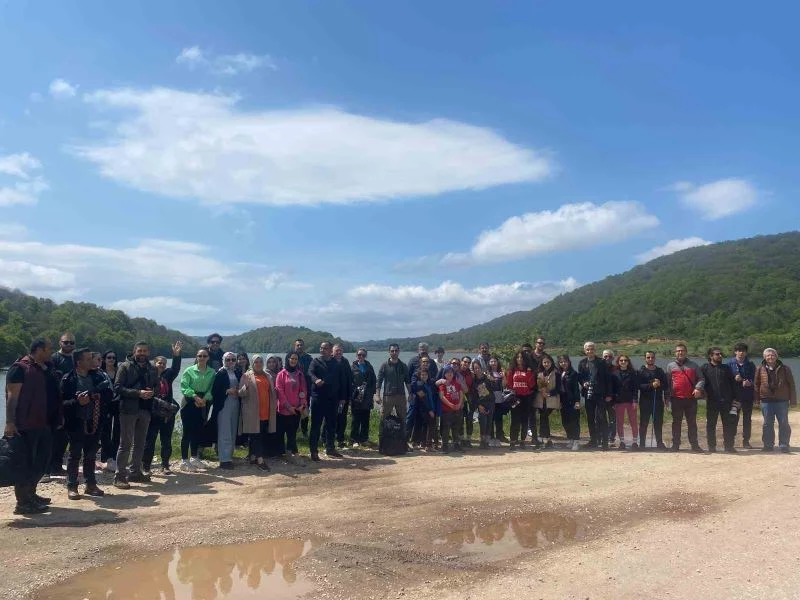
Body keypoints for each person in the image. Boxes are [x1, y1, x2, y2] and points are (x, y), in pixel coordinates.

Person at [5, 338, 58, 515]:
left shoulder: (43, 368)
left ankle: (31, 494)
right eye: (49, 349)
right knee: (24, 464)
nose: (52, 352)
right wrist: (10, 422)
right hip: (25, 425)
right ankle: (22, 503)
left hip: (42, 423)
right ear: (39, 349)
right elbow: (12, 397)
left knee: (41, 461)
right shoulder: (19, 369)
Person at [60, 347, 113, 499]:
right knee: (74, 455)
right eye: (89, 359)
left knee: (90, 455)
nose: (93, 361)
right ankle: (72, 486)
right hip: (75, 423)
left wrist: (97, 396)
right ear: (79, 362)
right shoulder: (68, 379)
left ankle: (90, 484)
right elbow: (61, 404)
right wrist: (77, 401)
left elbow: (109, 396)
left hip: (95, 422)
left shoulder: (98, 376)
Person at [114, 341, 160, 488]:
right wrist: (138, 393)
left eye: (145, 351)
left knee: (140, 444)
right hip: (128, 409)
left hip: (145, 409)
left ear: (148, 353)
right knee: (125, 444)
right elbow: (118, 388)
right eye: (139, 351)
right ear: (134, 351)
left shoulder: (152, 368)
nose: (142, 354)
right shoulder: (124, 366)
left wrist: (152, 392)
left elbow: (156, 386)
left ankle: (135, 473)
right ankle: (119, 476)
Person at [142, 341, 182, 475]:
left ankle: (165, 465)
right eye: (159, 363)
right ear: (154, 363)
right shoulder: (148, 375)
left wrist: (176, 355)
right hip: (153, 413)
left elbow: (176, 368)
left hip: (166, 413)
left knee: (166, 440)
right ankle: (146, 466)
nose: (162, 365)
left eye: (164, 364)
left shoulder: (168, 375)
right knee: (150, 440)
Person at [179, 347, 215, 472]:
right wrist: (195, 397)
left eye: (205, 356)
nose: (202, 358)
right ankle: (184, 460)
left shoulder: (212, 372)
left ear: (208, 358)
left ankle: (194, 457)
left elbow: (211, 389)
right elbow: (184, 386)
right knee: (187, 432)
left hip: (203, 402)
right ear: (196, 357)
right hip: (189, 402)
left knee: (197, 430)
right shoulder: (189, 371)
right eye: (200, 356)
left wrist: (205, 399)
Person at [754, 348, 796, 453]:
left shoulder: (785, 368)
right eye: (768, 355)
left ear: (776, 356)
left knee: (783, 423)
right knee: (767, 423)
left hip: (782, 400)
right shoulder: (759, 368)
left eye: (772, 355)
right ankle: (768, 445)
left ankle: (784, 445)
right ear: (764, 357)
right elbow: (756, 384)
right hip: (766, 400)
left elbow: (791, 385)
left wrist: (793, 400)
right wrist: (756, 400)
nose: (770, 357)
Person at [666, 344, 706, 453]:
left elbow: (701, 378)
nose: (680, 353)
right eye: (678, 351)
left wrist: (698, 388)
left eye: (682, 351)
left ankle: (694, 445)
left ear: (686, 352)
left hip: (691, 399)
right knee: (676, 423)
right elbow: (668, 383)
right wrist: (667, 398)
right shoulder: (670, 366)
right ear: (675, 353)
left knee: (692, 423)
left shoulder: (693, 365)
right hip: (676, 399)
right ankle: (675, 445)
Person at [308, 342, 343, 461]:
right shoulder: (315, 361)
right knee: (316, 426)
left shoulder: (336, 363)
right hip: (318, 398)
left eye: (325, 348)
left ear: (330, 350)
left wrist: (342, 397)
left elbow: (339, 380)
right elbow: (310, 373)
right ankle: (313, 451)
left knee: (331, 425)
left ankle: (330, 448)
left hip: (332, 399)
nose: (322, 350)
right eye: (321, 348)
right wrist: (316, 379)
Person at [239, 355, 275, 471]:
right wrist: (246, 386)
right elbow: (240, 393)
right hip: (252, 412)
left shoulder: (267, 375)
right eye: (256, 362)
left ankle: (253, 457)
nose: (258, 364)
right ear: (252, 363)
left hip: (265, 411)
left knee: (260, 435)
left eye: (260, 362)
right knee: (256, 436)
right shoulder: (247, 375)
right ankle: (260, 460)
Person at [48, 331, 75, 478]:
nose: (69, 345)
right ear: (60, 343)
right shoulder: (54, 358)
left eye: (71, 342)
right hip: (56, 401)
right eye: (66, 342)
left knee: (65, 436)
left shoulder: (76, 358)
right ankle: (49, 467)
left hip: (72, 401)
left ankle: (57, 465)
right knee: (54, 435)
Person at [701, 347, 738, 453]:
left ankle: (729, 446)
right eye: (717, 354)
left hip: (726, 401)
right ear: (711, 356)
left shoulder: (726, 368)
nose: (720, 356)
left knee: (728, 425)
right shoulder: (704, 368)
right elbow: (699, 381)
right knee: (711, 425)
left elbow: (733, 384)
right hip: (712, 401)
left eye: (721, 354)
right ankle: (712, 447)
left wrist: (736, 399)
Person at [578, 342, 613, 450]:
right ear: (585, 350)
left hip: (600, 394)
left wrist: (609, 394)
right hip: (588, 394)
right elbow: (580, 377)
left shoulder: (602, 362)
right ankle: (593, 441)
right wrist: (583, 383)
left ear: (595, 350)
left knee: (602, 418)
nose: (590, 351)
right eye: (588, 349)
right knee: (590, 418)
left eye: (592, 349)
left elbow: (608, 379)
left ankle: (605, 443)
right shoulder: (582, 363)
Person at [210, 352, 243, 469]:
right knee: (225, 432)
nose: (230, 362)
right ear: (223, 360)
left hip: (235, 404)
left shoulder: (238, 372)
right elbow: (214, 391)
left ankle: (229, 456)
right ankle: (224, 460)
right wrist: (227, 391)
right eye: (228, 359)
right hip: (224, 405)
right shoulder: (220, 373)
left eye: (233, 359)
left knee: (233, 430)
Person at [275, 351, 308, 459]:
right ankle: (281, 453)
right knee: (281, 433)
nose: (293, 361)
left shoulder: (300, 374)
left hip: (297, 409)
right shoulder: (281, 374)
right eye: (292, 358)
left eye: (295, 359)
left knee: (292, 433)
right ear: (288, 359)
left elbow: (303, 390)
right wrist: (289, 407)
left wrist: (302, 405)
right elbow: (280, 392)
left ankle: (292, 452)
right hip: (284, 410)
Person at [638, 351, 668, 450]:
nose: (650, 359)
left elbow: (666, 386)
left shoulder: (660, 371)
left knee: (658, 423)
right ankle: (642, 444)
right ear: (645, 358)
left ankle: (659, 443)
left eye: (652, 357)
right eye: (648, 357)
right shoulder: (641, 371)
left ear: (655, 358)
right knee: (644, 423)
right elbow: (638, 386)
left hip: (658, 400)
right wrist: (651, 385)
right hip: (645, 401)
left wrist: (660, 384)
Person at [728, 343, 756, 449]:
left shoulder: (751, 364)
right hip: (734, 397)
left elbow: (755, 379)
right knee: (733, 418)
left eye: (743, 350)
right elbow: (726, 380)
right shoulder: (729, 364)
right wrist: (733, 378)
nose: (741, 352)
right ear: (735, 352)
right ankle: (731, 441)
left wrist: (749, 382)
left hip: (747, 396)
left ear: (746, 352)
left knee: (747, 419)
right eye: (739, 350)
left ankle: (746, 441)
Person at [507, 351, 536, 449]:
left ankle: (522, 440)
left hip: (526, 398)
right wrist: (514, 392)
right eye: (518, 357)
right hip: (516, 397)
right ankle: (513, 441)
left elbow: (531, 385)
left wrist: (528, 373)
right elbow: (509, 384)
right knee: (515, 420)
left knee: (524, 420)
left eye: (522, 357)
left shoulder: (529, 370)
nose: (519, 359)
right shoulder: (512, 370)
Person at [350, 348, 377, 448]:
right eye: (359, 355)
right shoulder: (352, 367)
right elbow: (349, 382)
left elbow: (374, 381)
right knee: (356, 419)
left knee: (366, 419)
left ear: (366, 356)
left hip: (367, 397)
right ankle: (354, 439)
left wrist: (373, 394)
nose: (361, 357)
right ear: (356, 355)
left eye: (363, 355)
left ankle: (364, 438)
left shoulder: (369, 366)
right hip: (356, 396)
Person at [98, 349, 120, 472]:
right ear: (104, 359)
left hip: (118, 404)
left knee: (118, 431)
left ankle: (115, 457)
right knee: (105, 432)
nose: (111, 359)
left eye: (113, 358)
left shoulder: (119, 371)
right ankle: (105, 458)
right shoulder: (100, 373)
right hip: (105, 405)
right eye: (109, 357)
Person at [377, 344, 410, 422]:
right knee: (384, 418)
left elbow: (408, 382)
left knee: (403, 419)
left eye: (396, 350)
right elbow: (379, 381)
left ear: (399, 352)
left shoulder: (403, 366)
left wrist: (410, 394)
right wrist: (377, 395)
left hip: (401, 397)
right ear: (389, 352)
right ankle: (383, 434)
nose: (394, 352)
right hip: (388, 397)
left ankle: (402, 434)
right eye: (392, 351)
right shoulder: (384, 366)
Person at [613, 355, 639, 450]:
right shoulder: (614, 373)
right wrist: (613, 401)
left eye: (625, 360)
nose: (623, 362)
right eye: (621, 360)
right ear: (618, 362)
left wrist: (635, 400)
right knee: (619, 422)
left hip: (630, 401)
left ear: (628, 362)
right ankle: (622, 442)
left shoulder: (633, 373)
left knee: (633, 422)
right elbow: (613, 389)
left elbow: (635, 388)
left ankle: (635, 442)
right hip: (618, 401)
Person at [534, 354, 559, 448]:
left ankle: (543, 438)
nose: (546, 364)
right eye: (544, 362)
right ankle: (546, 439)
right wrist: (541, 390)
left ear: (551, 363)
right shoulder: (538, 373)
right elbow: (535, 386)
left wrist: (548, 394)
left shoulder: (556, 373)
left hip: (551, 399)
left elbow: (558, 388)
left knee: (544, 417)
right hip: (540, 399)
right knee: (543, 418)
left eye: (548, 362)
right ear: (541, 363)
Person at [556, 355, 581, 451]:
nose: (563, 363)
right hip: (563, 400)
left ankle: (576, 441)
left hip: (572, 400)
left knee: (574, 421)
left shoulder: (573, 374)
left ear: (569, 362)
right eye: (561, 362)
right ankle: (570, 438)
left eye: (565, 361)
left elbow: (576, 389)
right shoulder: (559, 373)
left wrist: (577, 401)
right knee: (565, 421)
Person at [438, 366, 464, 453]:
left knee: (456, 428)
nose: (449, 374)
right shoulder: (442, 384)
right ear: (444, 374)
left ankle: (456, 444)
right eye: (447, 372)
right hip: (447, 410)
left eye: (451, 372)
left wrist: (460, 404)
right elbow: (442, 396)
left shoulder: (457, 384)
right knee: (446, 428)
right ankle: (445, 446)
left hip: (457, 409)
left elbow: (461, 394)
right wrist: (450, 404)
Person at [470, 359, 496, 450]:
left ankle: (487, 442)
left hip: (490, 402)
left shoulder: (487, 377)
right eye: (475, 368)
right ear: (473, 370)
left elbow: (494, 388)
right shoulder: (474, 381)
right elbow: (474, 395)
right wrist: (479, 405)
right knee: (483, 423)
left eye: (478, 368)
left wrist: (492, 380)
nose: (477, 370)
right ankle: (482, 442)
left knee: (489, 423)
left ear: (481, 368)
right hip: (481, 404)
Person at [410, 365, 437, 450]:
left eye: (425, 374)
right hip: (424, 409)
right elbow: (424, 399)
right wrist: (430, 410)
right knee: (430, 425)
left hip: (431, 407)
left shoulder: (430, 384)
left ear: (428, 375)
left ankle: (424, 443)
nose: (424, 376)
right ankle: (428, 445)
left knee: (425, 426)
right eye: (422, 375)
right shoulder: (419, 385)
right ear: (419, 376)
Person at [333, 344, 354, 449]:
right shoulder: (329, 361)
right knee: (330, 419)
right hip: (332, 397)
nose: (339, 352)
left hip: (343, 397)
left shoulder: (345, 362)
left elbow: (349, 379)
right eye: (336, 351)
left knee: (342, 419)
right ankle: (327, 439)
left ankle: (340, 439)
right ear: (332, 351)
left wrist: (349, 397)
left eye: (340, 351)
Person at [293, 339, 313, 437]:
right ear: (294, 346)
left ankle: (305, 431)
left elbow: (312, 372)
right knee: (294, 409)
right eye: (298, 345)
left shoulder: (309, 358)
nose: (299, 347)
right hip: (293, 388)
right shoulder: (291, 357)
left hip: (306, 388)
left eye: (301, 345)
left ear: (304, 346)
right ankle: (295, 430)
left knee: (305, 408)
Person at [488, 356, 508, 446]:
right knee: (491, 419)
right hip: (490, 399)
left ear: (497, 362)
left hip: (499, 398)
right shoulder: (487, 373)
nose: (493, 363)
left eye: (495, 361)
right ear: (489, 363)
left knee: (499, 418)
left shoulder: (501, 373)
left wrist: (503, 377)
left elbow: (504, 385)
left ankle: (500, 435)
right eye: (491, 361)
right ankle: (491, 436)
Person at [602, 349, 618, 445]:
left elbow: (617, 385)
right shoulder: (599, 367)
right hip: (600, 398)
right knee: (600, 418)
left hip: (612, 399)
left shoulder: (616, 369)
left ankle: (611, 438)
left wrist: (612, 396)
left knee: (612, 419)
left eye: (610, 356)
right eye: (605, 356)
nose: (607, 358)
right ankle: (602, 437)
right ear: (602, 357)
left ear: (613, 358)